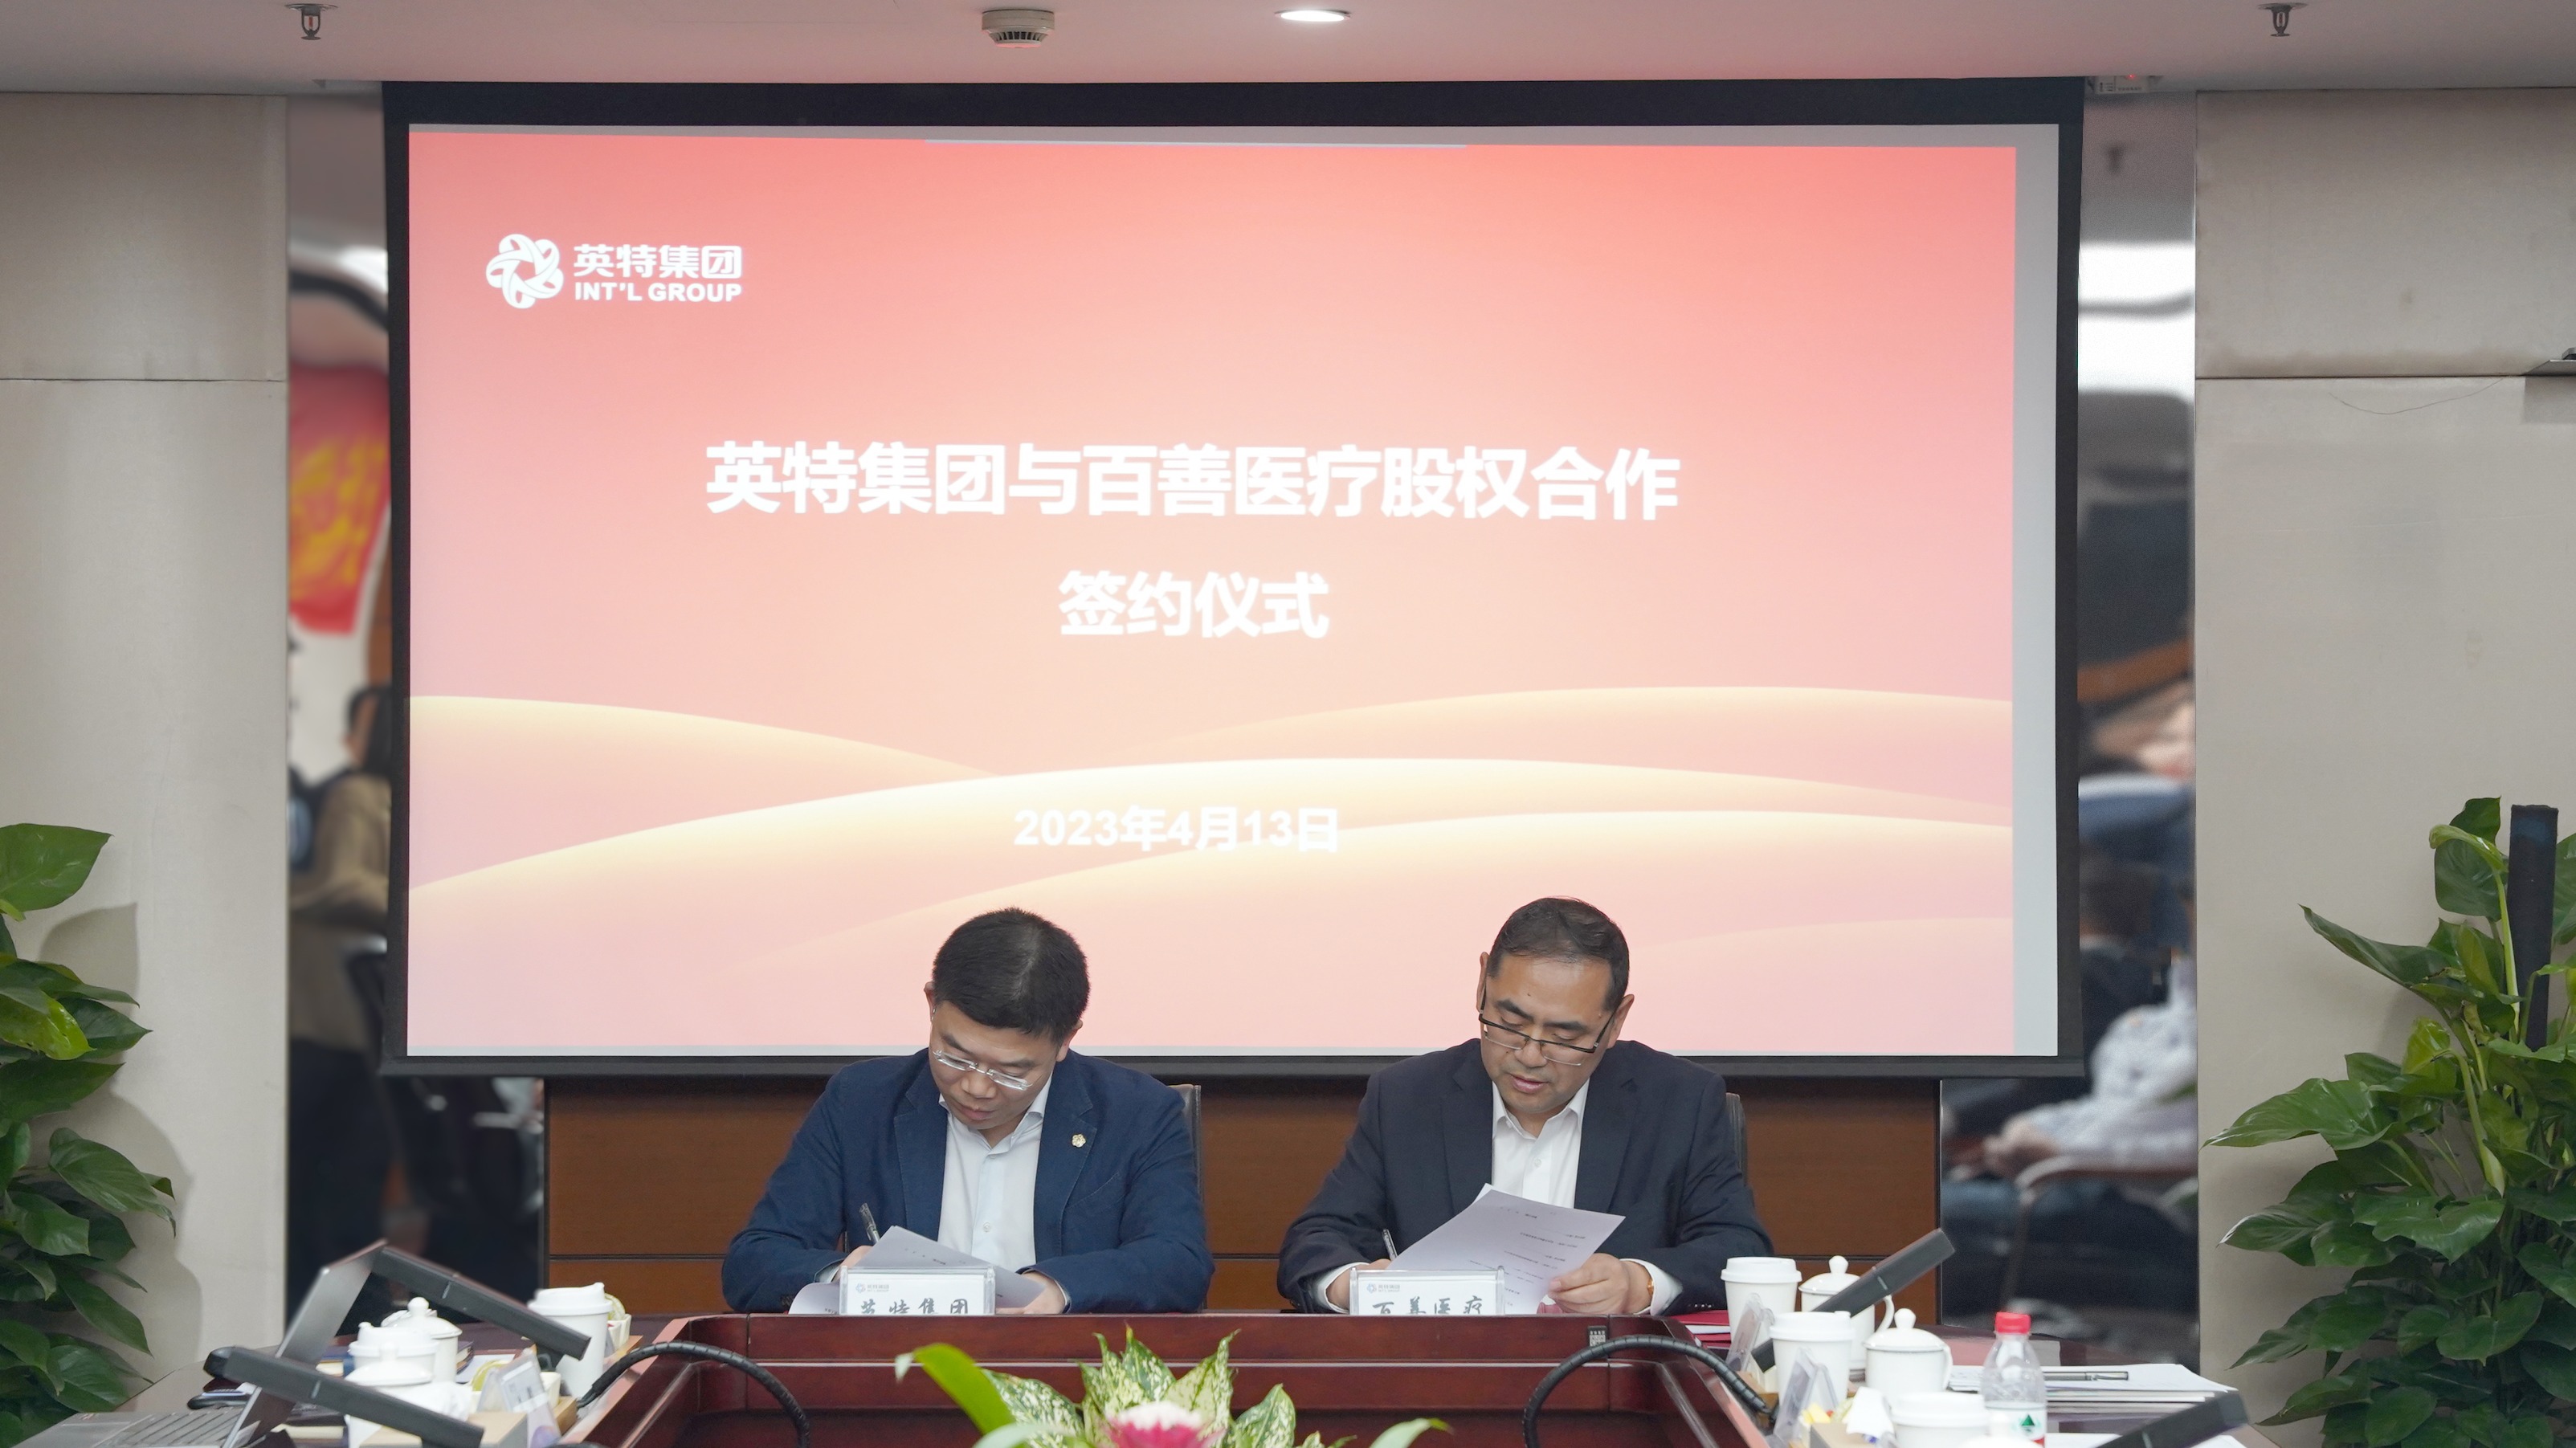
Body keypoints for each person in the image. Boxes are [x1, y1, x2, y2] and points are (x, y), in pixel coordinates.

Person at [1277, 897, 1772, 1315]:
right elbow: (1318, 1240)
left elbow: (1739, 1248)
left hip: (1610, 1378)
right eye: (1510, 1024)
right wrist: (1357, 1287)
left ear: (1616, 1021)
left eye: (1565, 1037)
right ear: (1481, 985)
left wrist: (1638, 1284)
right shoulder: (1407, 1098)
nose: (1530, 1056)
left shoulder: (1679, 1103)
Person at [722, 908, 1212, 1314]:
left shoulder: (1137, 1112)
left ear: (1066, 1039)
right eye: (955, 1056)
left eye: (1012, 1071)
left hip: (1063, 1372)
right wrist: (842, 1274)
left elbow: (1179, 1263)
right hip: (900, 1371)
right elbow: (755, 1261)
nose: (976, 1087)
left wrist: (1059, 1289)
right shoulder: (862, 1101)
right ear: (932, 1004)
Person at [286, 683, 396, 1315]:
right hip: (335, 1018)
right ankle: (345, 1312)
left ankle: (353, 1307)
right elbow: (343, 882)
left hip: (364, 1021)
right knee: (334, 1174)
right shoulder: (360, 795)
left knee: (355, 1170)